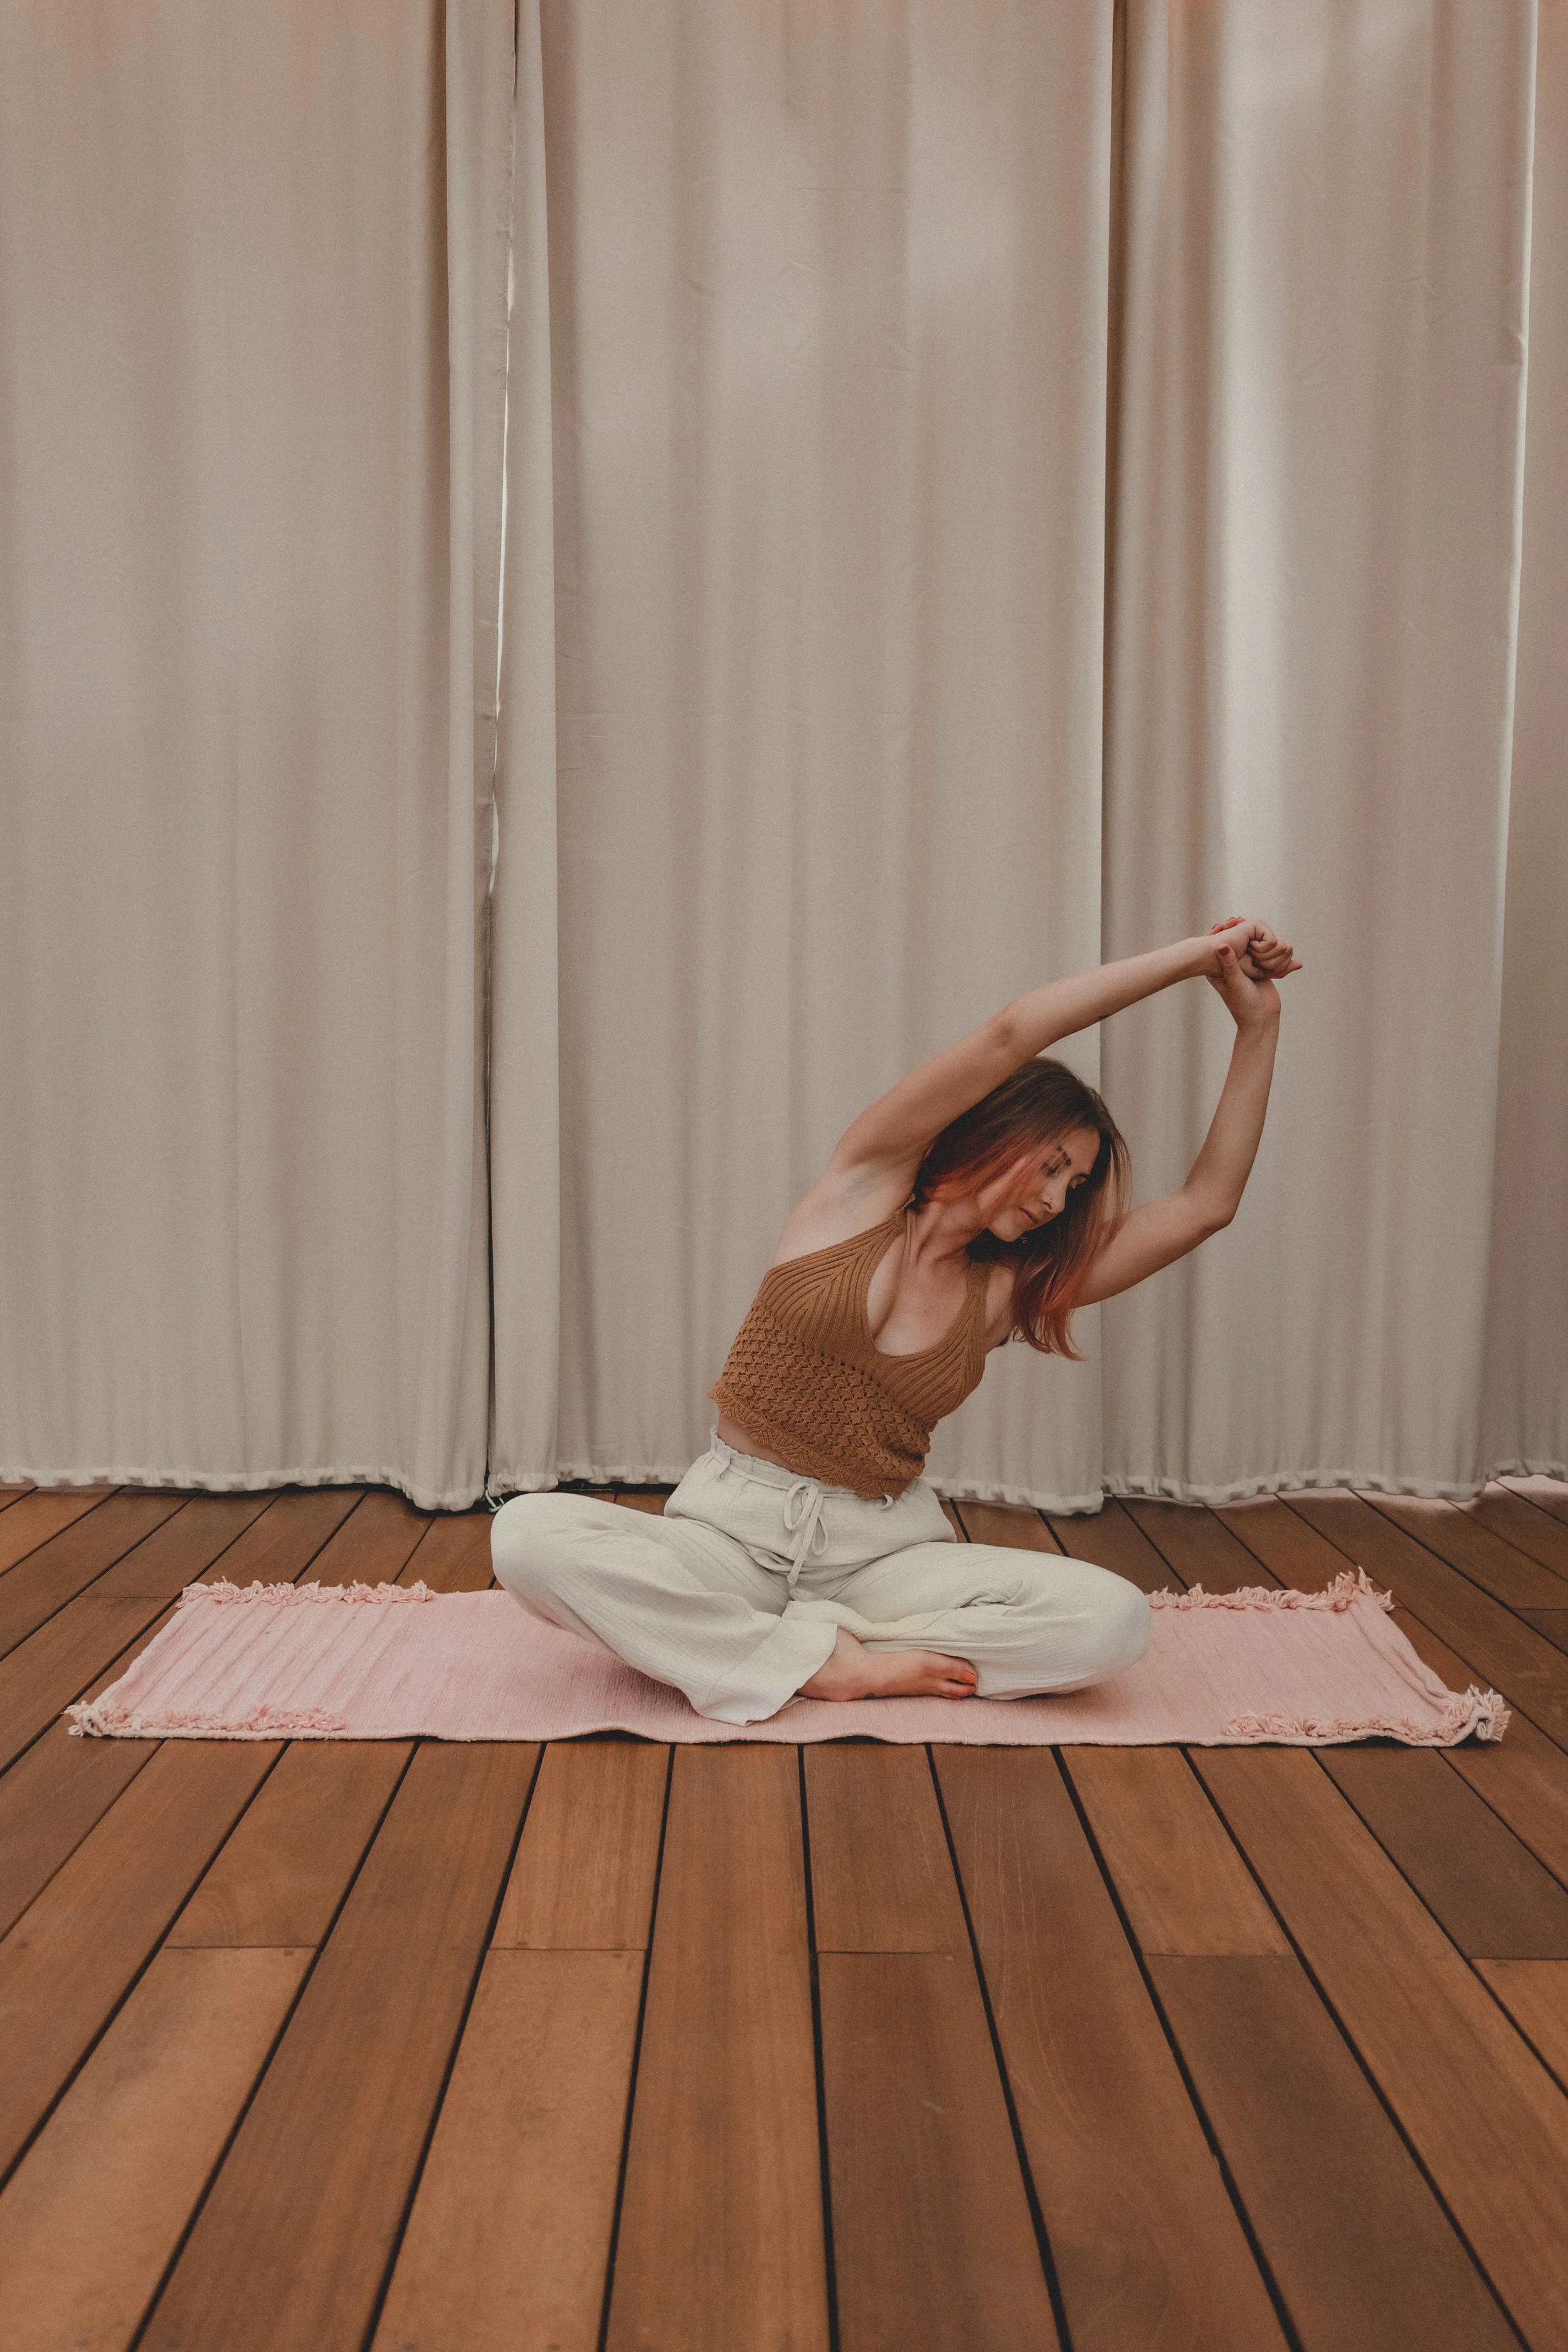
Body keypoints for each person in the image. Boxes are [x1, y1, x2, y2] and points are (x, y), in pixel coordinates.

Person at [492, 916, 1300, 1723]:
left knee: (1112, 1623)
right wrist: (1200, 956)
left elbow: (1204, 1206)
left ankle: (787, 1645)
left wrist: (1257, 1023)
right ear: (999, 1131)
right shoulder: (863, 1182)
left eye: (1075, 1184)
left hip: (878, 1557)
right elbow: (1012, 1032)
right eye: (1052, 1164)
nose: (1058, 1199)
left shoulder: (1008, 1289)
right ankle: (819, 1658)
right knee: (526, 1536)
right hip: (727, 1536)